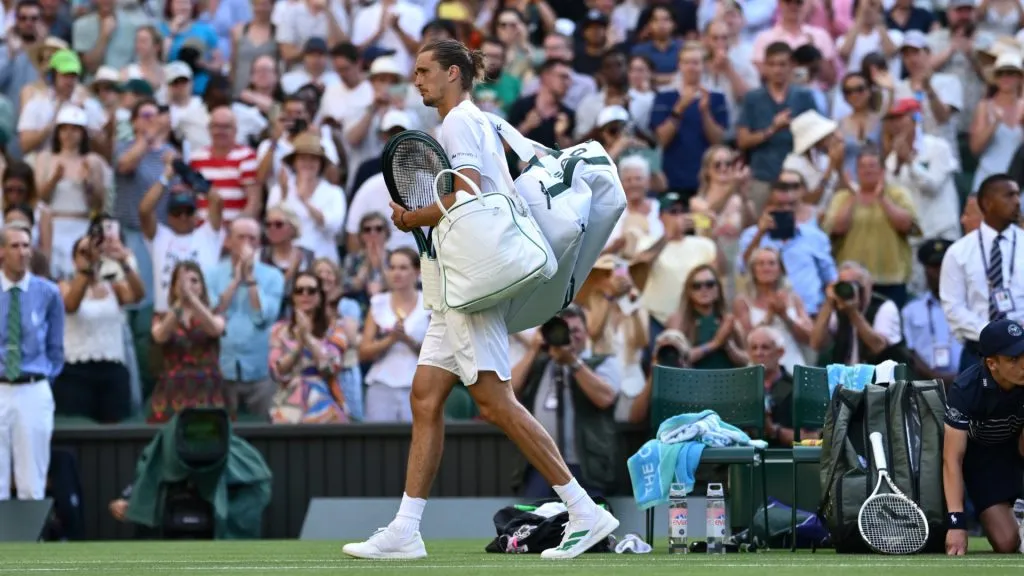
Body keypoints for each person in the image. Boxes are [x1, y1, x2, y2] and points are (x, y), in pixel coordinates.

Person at [342, 38, 619, 561]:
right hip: (456, 285)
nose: (417, 79)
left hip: (470, 287)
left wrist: (411, 217)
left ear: (452, 73)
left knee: (494, 401)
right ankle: (407, 528)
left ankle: (584, 511)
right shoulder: (481, 120)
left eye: (425, 71)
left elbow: (465, 191)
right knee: (425, 396)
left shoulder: (459, 122)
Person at [943, 318, 1024, 555]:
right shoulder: (965, 390)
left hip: (1016, 453)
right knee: (1007, 543)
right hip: (982, 462)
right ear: (992, 363)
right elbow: (952, 460)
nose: (1023, 365)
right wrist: (956, 523)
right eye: (1013, 359)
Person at [0, 225, 65, 501]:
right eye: (15, 246)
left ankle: (30, 543)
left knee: (32, 482)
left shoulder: (48, 292)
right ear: (1, 251)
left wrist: (41, 380)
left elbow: (56, 348)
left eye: (27, 245)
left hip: (32, 386)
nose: (23, 252)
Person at [941, 174, 1024, 371]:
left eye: (1017, 195)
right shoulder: (959, 251)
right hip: (978, 352)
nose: (1017, 201)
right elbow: (953, 308)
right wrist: (993, 334)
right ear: (987, 203)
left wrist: (1015, 334)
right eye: (1009, 195)